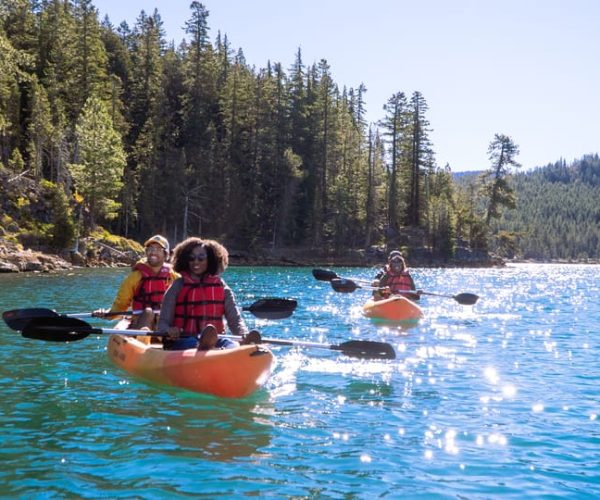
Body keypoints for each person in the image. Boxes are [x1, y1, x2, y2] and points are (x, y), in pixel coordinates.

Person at [157, 237, 259, 351]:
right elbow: (163, 323)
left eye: (201, 258)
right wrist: (169, 331)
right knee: (192, 342)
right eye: (191, 258)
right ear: (185, 260)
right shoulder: (177, 286)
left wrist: (243, 334)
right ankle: (206, 349)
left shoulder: (221, 286)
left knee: (231, 345)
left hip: (216, 339)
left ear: (210, 260)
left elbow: (235, 320)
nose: (196, 261)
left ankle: (244, 347)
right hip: (183, 339)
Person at [93, 235, 178, 331]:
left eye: (158, 249)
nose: (153, 252)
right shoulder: (135, 277)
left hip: (164, 321)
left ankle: (165, 337)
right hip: (139, 321)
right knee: (148, 312)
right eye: (150, 248)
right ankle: (144, 335)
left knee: (162, 315)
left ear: (166, 254)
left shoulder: (174, 277)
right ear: (146, 252)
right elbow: (121, 303)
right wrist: (109, 313)